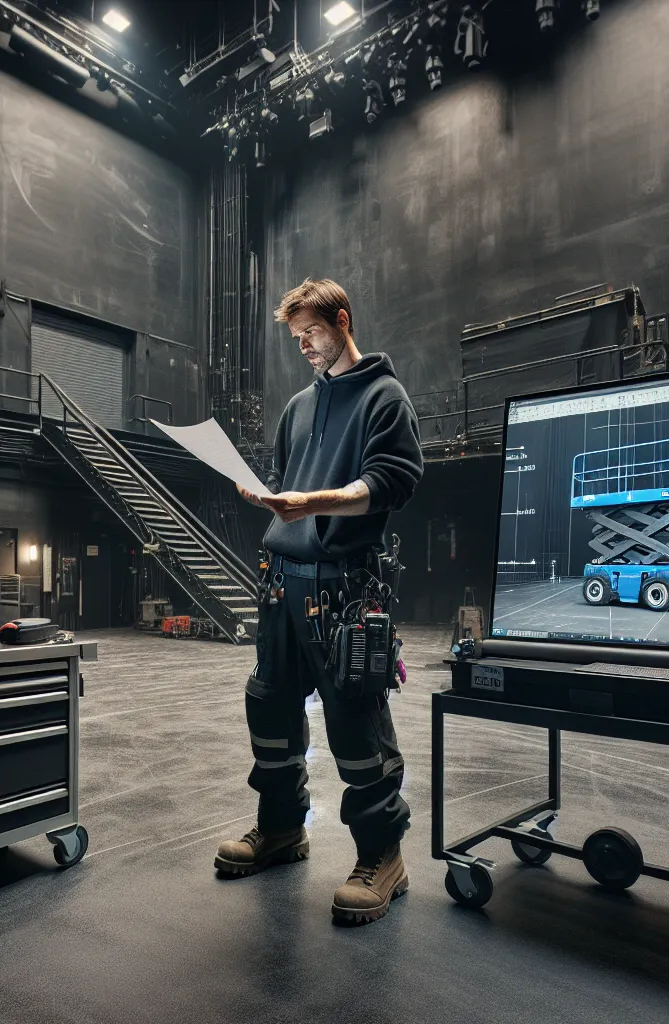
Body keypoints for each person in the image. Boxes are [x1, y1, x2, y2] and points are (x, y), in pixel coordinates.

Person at [214, 278, 424, 925]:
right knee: (269, 709)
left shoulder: (385, 397)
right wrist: (276, 500)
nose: (304, 346)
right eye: (297, 338)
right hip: (281, 580)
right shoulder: (298, 407)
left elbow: (393, 480)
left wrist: (314, 503)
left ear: (341, 320)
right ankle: (280, 830)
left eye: (311, 333)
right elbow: (288, 481)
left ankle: (382, 857)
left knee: (354, 723)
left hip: (344, 585)